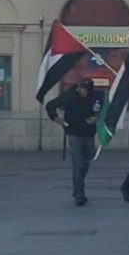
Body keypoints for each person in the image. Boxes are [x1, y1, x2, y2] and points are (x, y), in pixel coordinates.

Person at [46, 78, 101, 206]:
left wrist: (96, 118)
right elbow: (50, 105)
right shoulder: (69, 96)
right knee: (78, 163)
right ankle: (79, 195)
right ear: (79, 88)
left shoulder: (94, 96)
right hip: (74, 132)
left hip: (89, 133)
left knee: (86, 162)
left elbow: (101, 109)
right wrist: (56, 119)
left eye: (88, 91)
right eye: (83, 90)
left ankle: (79, 185)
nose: (85, 93)